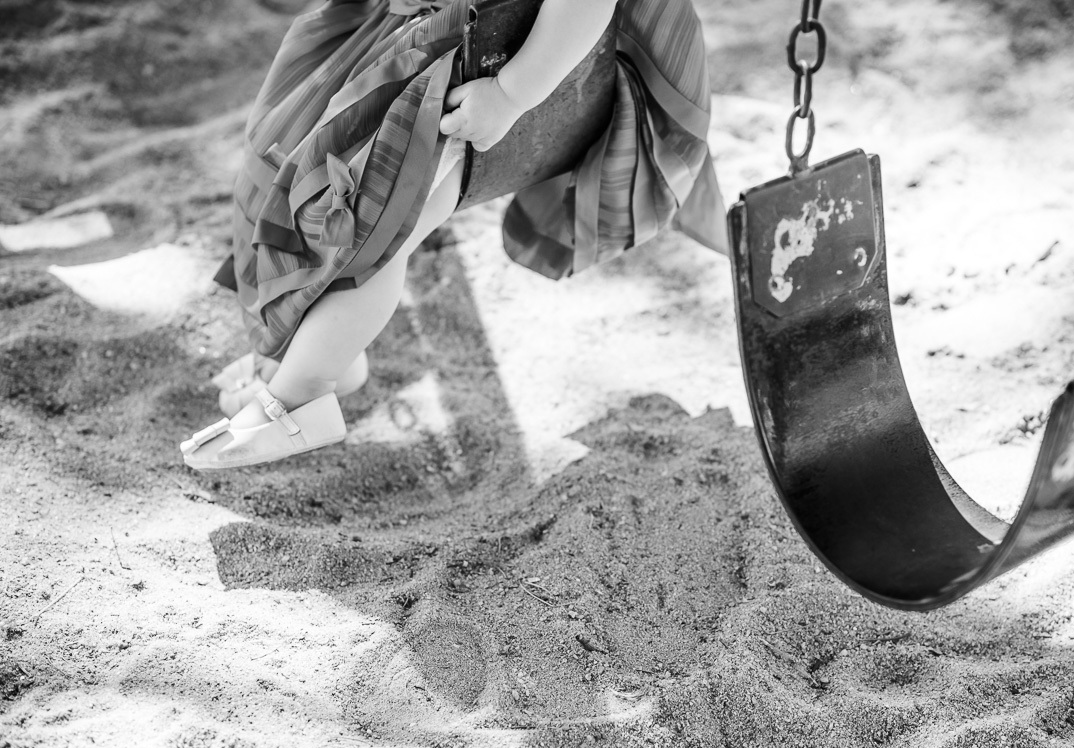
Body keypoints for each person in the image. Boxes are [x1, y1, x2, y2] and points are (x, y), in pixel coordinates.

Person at [181, 0, 728, 470]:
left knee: (378, 216)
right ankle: (321, 355)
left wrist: (512, 94)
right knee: (297, 171)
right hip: (411, 31)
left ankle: (301, 390)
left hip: (508, 57)